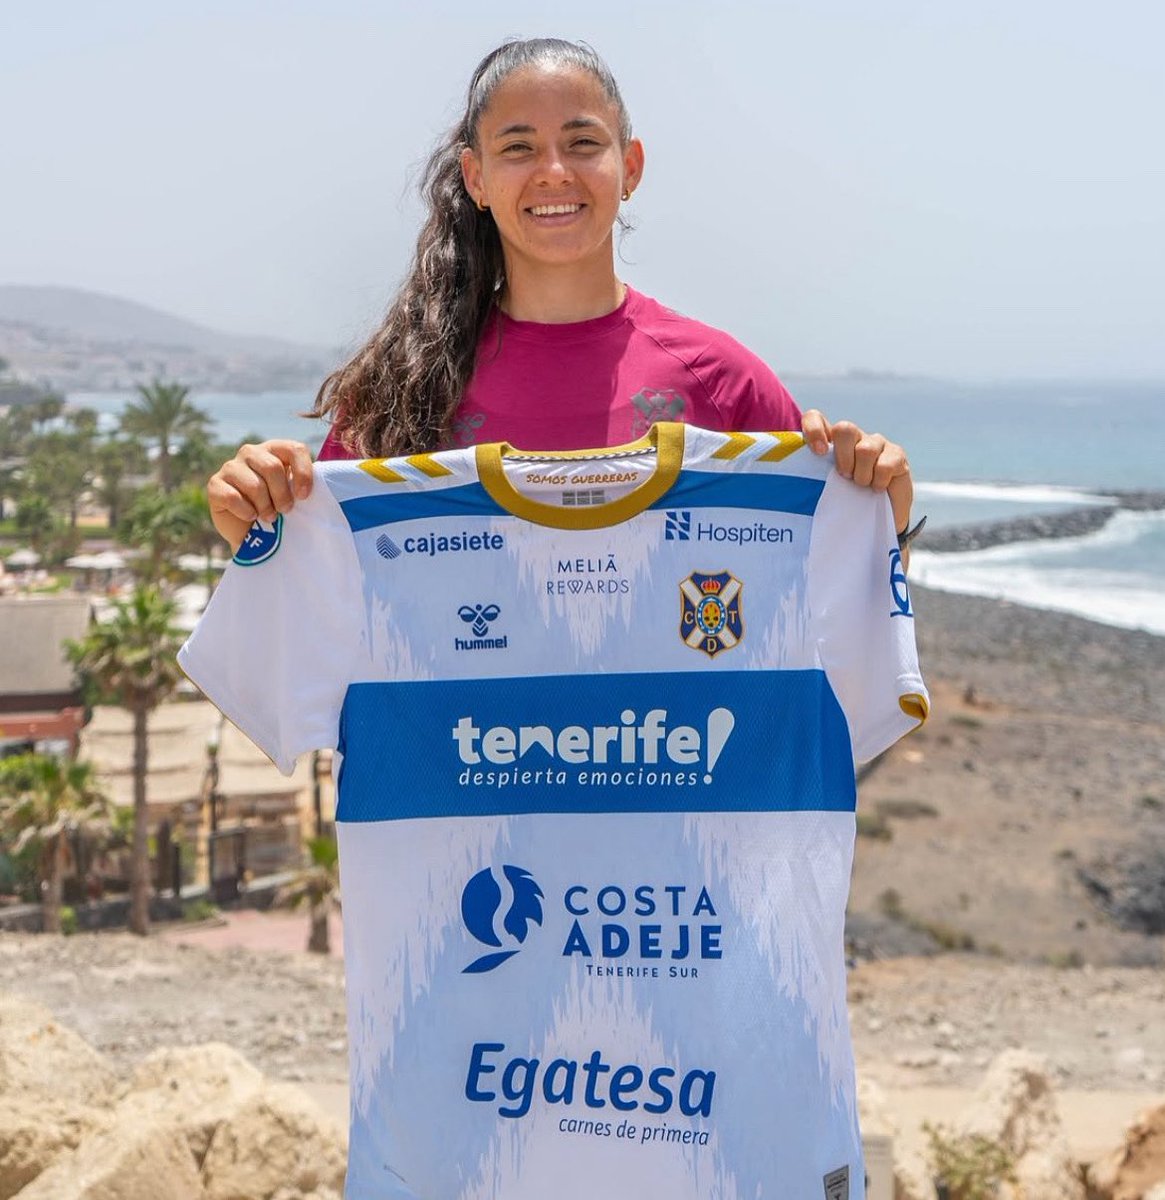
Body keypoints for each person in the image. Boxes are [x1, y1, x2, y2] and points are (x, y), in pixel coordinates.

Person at [206, 38, 916, 556]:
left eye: (582, 142)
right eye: (517, 148)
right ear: (476, 179)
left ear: (628, 166)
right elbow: (306, 580)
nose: (552, 172)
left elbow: (831, 606)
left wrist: (883, 508)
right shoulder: (403, 390)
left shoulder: (724, 383)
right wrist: (248, 507)